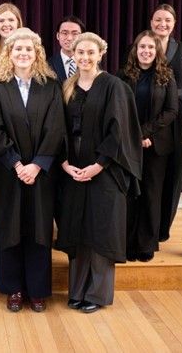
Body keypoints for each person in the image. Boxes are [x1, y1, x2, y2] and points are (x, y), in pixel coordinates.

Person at [56, 32, 142, 314]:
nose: (85, 57)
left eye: (90, 52)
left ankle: (97, 293)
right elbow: (59, 130)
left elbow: (119, 131)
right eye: (80, 52)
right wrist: (65, 163)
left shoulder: (113, 86)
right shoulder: (67, 87)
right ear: (73, 54)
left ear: (100, 54)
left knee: (101, 231)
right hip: (73, 170)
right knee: (79, 230)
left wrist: (98, 165)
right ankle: (77, 290)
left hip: (105, 171)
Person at [0, 28, 65, 313]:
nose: (23, 53)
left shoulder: (51, 86)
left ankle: (38, 290)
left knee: (38, 230)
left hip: (41, 173)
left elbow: (56, 129)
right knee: (10, 229)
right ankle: (14, 289)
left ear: (37, 54)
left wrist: (37, 164)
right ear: (9, 53)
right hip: (9, 172)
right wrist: (18, 164)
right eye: (17, 49)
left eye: (28, 49)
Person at [118, 30, 178, 262]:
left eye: (151, 48)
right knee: (129, 195)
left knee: (151, 195)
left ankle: (146, 245)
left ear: (157, 51)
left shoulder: (166, 76)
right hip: (127, 145)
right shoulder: (123, 76)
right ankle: (127, 244)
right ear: (136, 49)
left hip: (156, 146)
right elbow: (118, 109)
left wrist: (146, 132)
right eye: (142, 47)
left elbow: (172, 110)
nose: (146, 51)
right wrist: (135, 135)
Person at [150, 4, 182, 241]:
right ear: (151, 22)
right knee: (150, 178)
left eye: (167, 20)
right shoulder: (142, 47)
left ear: (174, 24)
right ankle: (147, 225)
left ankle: (163, 228)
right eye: (158, 19)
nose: (162, 24)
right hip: (148, 121)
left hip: (177, 121)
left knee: (173, 174)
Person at [48, 16, 85, 83]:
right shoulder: (47, 65)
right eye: (65, 33)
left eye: (75, 34)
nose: (69, 38)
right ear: (58, 36)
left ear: (82, 37)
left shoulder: (90, 63)